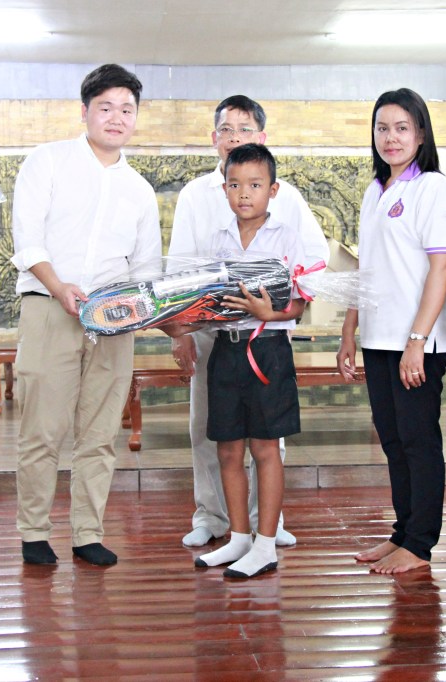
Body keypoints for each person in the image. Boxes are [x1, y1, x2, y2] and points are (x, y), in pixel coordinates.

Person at [10, 64, 161, 567]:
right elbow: (27, 238)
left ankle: (87, 533)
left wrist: (137, 309)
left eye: (127, 110)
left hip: (114, 321)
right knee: (42, 429)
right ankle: (34, 532)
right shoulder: (47, 161)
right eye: (106, 107)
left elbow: (146, 267)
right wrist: (59, 286)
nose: (117, 118)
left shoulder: (139, 189)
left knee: (100, 433)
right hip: (50, 308)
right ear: (85, 111)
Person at [168, 95, 329, 549]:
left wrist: (280, 306)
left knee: (267, 435)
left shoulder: (286, 195)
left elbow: (314, 258)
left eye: (244, 130)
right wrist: (180, 332)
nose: (234, 137)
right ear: (213, 138)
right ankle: (212, 516)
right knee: (210, 427)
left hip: (265, 334)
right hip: (210, 332)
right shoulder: (195, 195)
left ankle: (266, 523)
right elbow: (180, 266)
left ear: (261, 137)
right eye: (226, 130)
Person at [336, 88, 446, 575]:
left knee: (417, 441)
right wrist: (349, 330)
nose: (391, 137)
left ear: (421, 134)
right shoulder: (375, 190)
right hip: (378, 337)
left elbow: (443, 267)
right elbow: (366, 268)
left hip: (417, 342)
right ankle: (402, 532)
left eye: (402, 128)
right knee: (391, 440)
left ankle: (420, 543)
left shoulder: (433, 188)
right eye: (382, 128)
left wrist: (417, 342)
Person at [182, 143, 309, 578]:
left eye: (254, 185)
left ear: (273, 190)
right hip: (224, 350)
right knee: (228, 448)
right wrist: (179, 320)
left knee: (266, 448)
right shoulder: (217, 241)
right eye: (234, 185)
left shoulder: (287, 237)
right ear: (224, 190)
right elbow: (206, 301)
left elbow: (300, 303)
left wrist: (268, 313)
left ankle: (266, 543)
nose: (244, 194)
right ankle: (238, 537)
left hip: (268, 351)